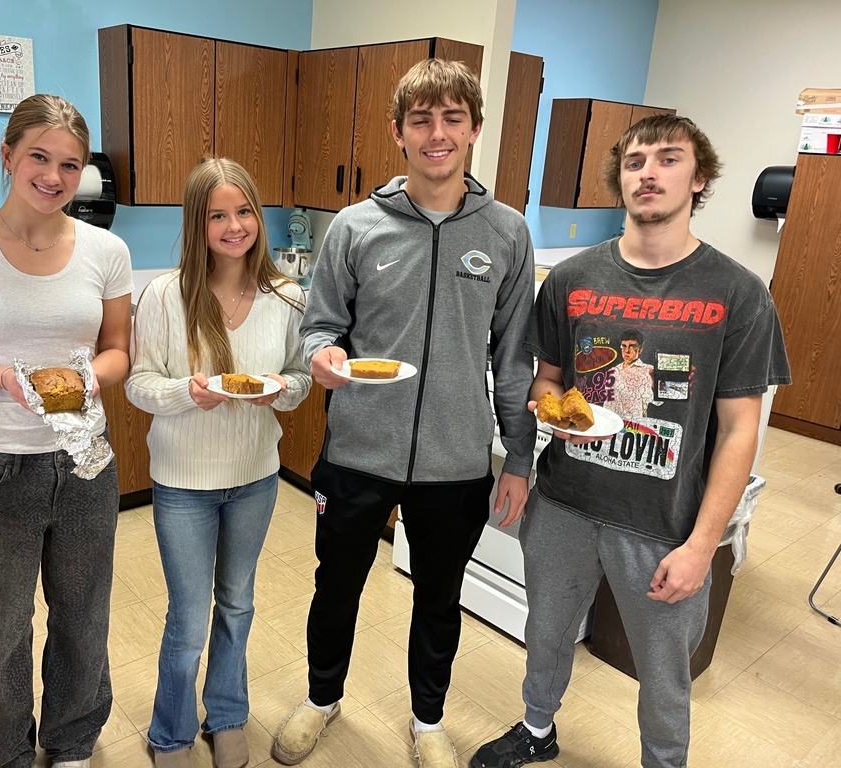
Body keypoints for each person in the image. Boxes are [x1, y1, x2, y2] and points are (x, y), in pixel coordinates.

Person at [470, 115, 791, 768]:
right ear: (620, 179)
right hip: (563, 503)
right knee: (547, 632)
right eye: (636, 161)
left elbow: (738, 432)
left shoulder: (738, 294)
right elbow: (546, 384)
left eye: (669, 159)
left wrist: (704, 544)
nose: (649, 171)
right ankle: (537, 729)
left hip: (663, 524)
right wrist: (555, 412)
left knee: (664, 672)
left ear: (698, 178)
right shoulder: (571, 280)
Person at [272, 59, 537, 768]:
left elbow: (514, 359)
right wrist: (324, 354)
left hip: (455, 460)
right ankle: (322, 700)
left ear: (475, 129)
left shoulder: (507, 233)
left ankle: (427, 720)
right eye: (421, 119)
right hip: (358, 450)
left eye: (453, 118)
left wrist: (519, 458)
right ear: (398, 132)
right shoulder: (357, 228)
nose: (437, 133)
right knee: (336, 588)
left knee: (439, 598)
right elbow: (319, 325)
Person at [0, 94, 133, 768]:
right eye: (39, 156)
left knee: (83, 618)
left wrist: (89, 377)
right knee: (2, 628)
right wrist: (5, 378)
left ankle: (70, 746)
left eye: (70, 164)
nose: (54, 176)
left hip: (84, 465)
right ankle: (9, 751)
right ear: (8, 155)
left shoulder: (107, 250)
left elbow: (119, 350)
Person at [125, 158, 311, 768]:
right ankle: (170, 732)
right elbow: (138, 385)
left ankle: (227, 715)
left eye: (245, 212)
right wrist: (188, 393)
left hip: (255, 476)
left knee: (238, 603)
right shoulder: (164, 296)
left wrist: (278, 391)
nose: (235, 226)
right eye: (218, 215)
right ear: (196, 224)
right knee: (188, 617)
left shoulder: (286, 295)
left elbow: (301, 378)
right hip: (183, 483)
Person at [609, 329, 656, 419]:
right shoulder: (613, 371)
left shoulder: (648, 370)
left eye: (631, 346)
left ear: (640, 349)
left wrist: (655, 385)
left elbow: (658, 402)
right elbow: (608, 402)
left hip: (636, 425)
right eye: (624, 346)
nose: (627, 351)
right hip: (613, 423)